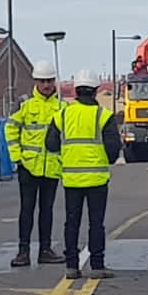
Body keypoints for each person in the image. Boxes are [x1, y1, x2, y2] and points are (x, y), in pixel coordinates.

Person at [46, 70, 124, 278]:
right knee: (96, 223)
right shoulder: (103, 116)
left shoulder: (62, 115)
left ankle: (72, 266)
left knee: (72, 222)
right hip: (97, 179)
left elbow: (51, 145)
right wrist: (105, 160)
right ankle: (97, 266)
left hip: (71, 179)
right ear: (96, 90)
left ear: (75, 90)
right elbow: (113, 148)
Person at [5, 64, 64, 267]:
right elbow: (11, 130)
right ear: (35, 82)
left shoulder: (62, 106)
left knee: (46, 210)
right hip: (28, 167)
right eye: (42, 81)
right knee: (27, 210)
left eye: (49, 81)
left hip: (52, 167)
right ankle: (23, 251)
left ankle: (45, 250)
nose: (46, 85)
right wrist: (17, 157)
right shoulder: (24, 104)